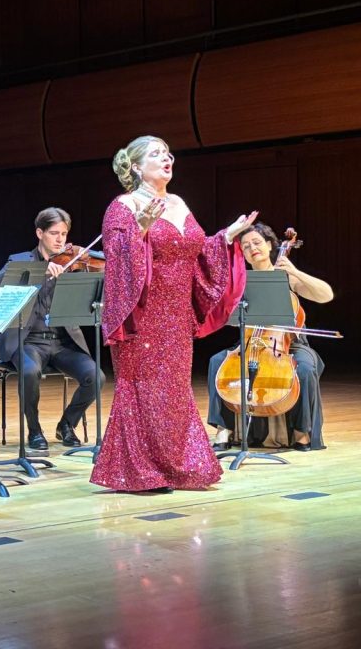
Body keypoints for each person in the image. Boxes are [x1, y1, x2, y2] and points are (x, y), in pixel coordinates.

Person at [90, 136, 255, 493]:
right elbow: (116, 260)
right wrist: (140, 229)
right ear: (136, 167)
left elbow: (195, 251)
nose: (167, 158)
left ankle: (175, 467)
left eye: (168, 153)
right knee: (144, 389)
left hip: (177, 315)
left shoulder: (179, 202)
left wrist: (226, 236)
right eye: (156, 154)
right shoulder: (123, 206)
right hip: (142, 315)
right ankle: (139, 472)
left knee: (174, 391)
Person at [206, 222, 334, 451]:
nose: (252, 248)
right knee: (217, 361)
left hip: (288, 345)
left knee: (305, 369)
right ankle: (224, 429)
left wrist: (295, 272)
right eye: (246, 246)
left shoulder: (286, 278)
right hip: (251, 340)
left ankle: (301, 432)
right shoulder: (242, 282)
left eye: (257, 242)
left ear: (269, 245)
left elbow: (326, 295)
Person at [0, 207, 104, 455]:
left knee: (96, 377)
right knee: (29, 372)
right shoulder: (21, 260)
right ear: (39, 233)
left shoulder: (71, 263)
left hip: (63, 342)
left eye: (64, 234)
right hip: (28, 342)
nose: (60, 240)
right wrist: (39, 271)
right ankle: (34, 429)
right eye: (54, 233)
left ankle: (67, 424)